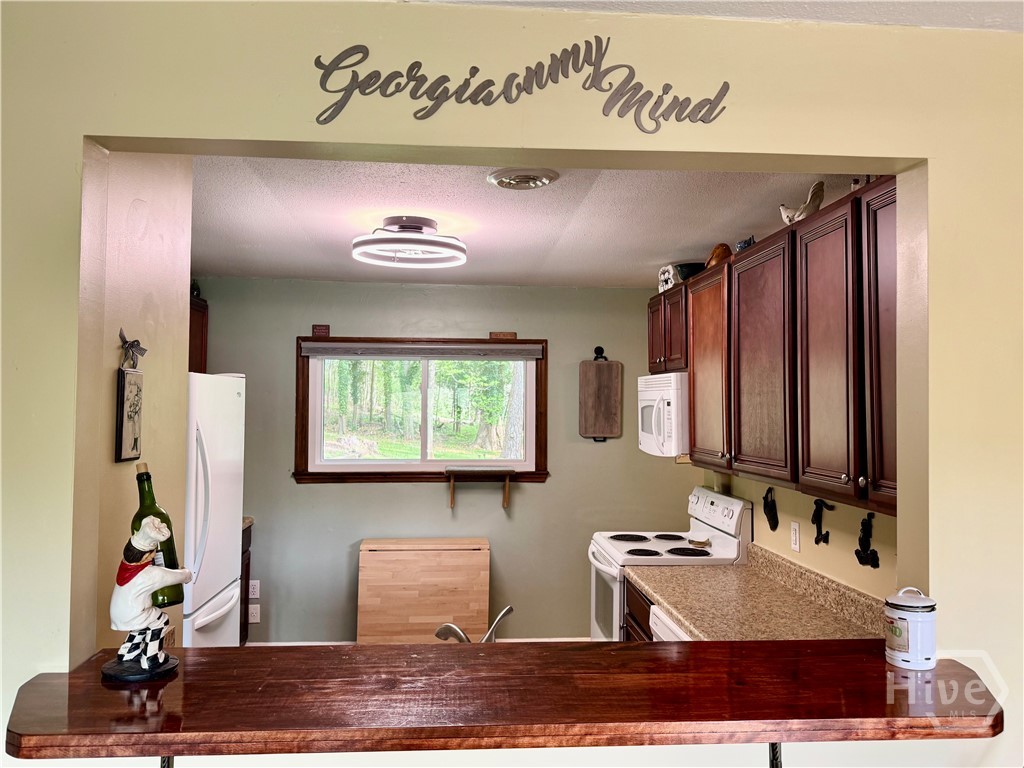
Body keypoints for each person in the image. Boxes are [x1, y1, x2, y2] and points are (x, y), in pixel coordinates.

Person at [109, 516, 192, 673]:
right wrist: (186, 573)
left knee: (142, 625)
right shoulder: (149, 574)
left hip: (119, 613)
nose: (154, 555)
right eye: (152, 553)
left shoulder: (125, 565)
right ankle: (151, 657)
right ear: (146, 556)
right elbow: (178, 576)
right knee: (160, 621)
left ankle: (128, 651)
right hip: (133, 613)